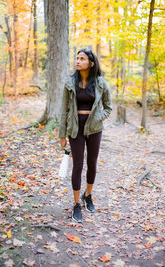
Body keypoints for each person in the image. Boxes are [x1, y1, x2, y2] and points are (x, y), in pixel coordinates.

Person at [59, 48, 112, 223]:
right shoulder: (69, 84)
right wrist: (62, 133)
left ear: (91, 63)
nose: (78, 61)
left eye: (82, 58)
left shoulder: (100, 83)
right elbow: (64, 110)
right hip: (75, 127)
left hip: (94, 128)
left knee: (92, 164)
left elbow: (108, 107)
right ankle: (76, 204)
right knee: (78, 165)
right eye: (77, 58)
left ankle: (87, 195)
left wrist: (98, 118)